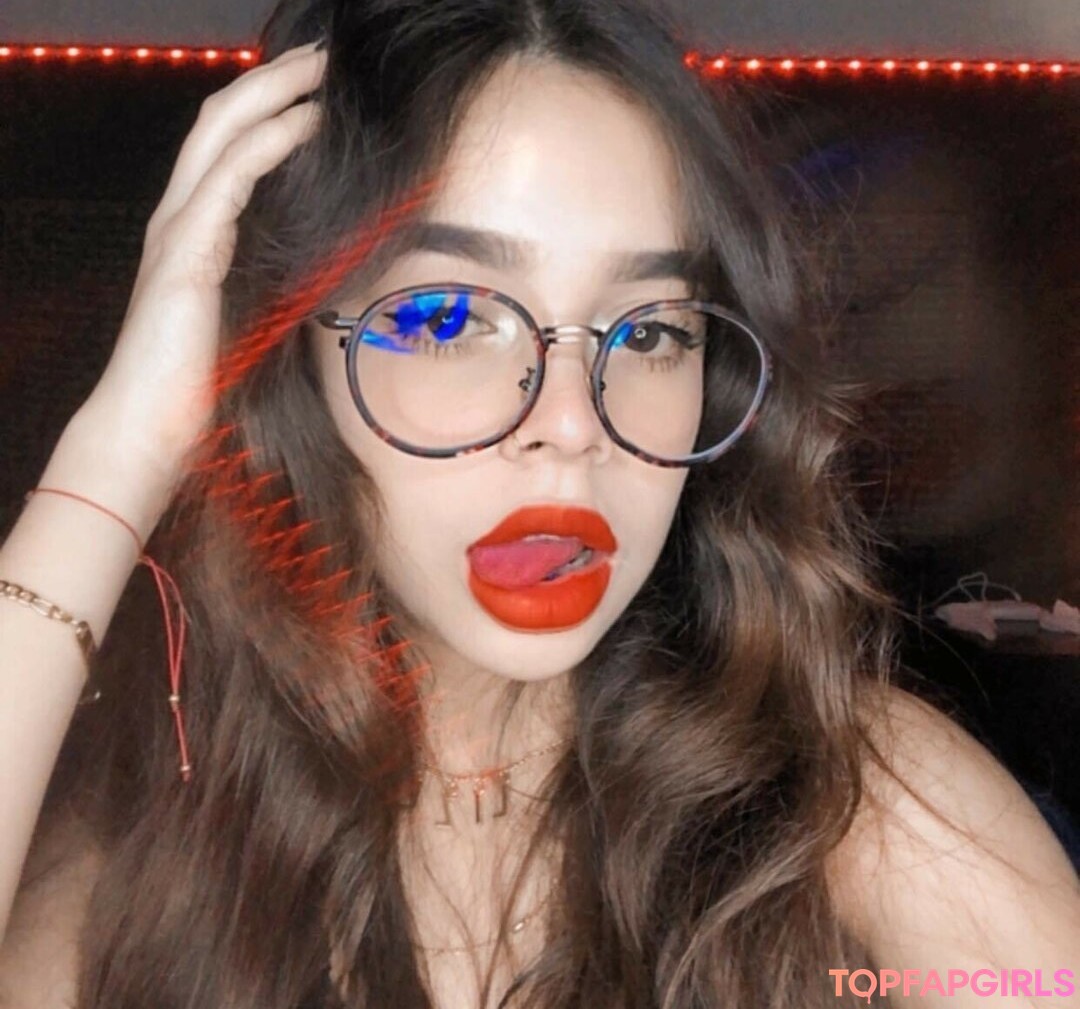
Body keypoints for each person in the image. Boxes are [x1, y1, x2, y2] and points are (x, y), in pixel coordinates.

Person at [0, 0, 1077, 1006]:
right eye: (445, 319)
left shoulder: (861, 809)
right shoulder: (140, 883)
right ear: (295, 364)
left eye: (650, 330)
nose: (572, 421)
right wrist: (121, 451)